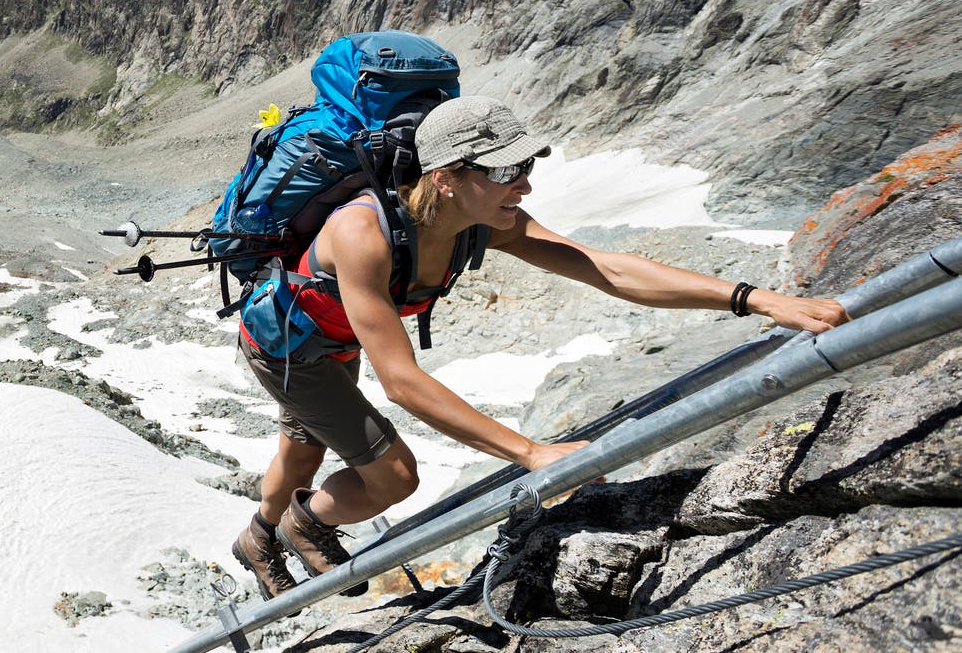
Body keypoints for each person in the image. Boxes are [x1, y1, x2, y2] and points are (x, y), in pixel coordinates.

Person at [230, 95, 849, 599]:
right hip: (287, 348)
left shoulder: (481, 220)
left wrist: (756, 298)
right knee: (392, 476)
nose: (522, 186)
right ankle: (300, 523)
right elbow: (401, 380)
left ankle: (262, 534)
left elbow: (602, 267)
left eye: (526, 168)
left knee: (306, 446)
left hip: (334, 336)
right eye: (504, 172)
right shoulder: (362, 233)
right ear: (444, 178)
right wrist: (530, 452)